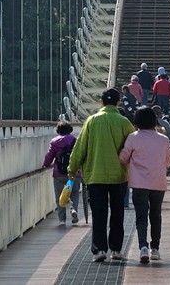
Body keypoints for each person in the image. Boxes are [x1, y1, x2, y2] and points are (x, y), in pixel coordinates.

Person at [67, 88, 136, 262]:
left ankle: (99, 250)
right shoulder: (124, 122)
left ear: (101, 102)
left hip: (95, 175)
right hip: (118, 175)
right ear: (119, 102)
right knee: (117, 213)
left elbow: (80, 148)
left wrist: (72, 169)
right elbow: (133, 148)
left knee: (99, 214)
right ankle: (116, 249)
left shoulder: (91, 121)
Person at [119, 107, 170, 263]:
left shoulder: (133, 138)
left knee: (141, 216)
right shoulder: (163, 139)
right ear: (154, 120)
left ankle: (143, 247)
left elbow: (123, 158)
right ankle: (155, 249)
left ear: (136, 121)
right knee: (156, 216)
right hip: (158, 182)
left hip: (139, 184)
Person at [43, 121, 81, 227]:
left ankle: (62, 220)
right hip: (74, 173)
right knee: (74, 194)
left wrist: (46, 164)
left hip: (59, 173)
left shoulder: (55, 141)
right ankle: (73, 210)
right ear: (70, 130)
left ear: (58, 131)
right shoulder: (75, 141)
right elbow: (80, 156)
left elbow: (49, 156)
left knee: (59, 196)